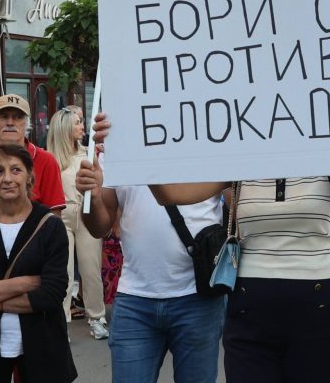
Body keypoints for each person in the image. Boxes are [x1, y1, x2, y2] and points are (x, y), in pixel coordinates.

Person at [83, 113, 330, 382]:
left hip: (318, 302)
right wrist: (133, 148)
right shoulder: (239, 153)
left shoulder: (328, 145)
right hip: (250, 307)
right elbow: (170, 194)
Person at [76, 156, 226, 383]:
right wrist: (93, 198)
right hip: (135, 301)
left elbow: (239, 203)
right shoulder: (118, 143)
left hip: (198, 297)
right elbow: (100, 227)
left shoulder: (206, 134)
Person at [0, 144, 76, 382]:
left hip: (43, 346)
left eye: (16, 170)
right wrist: (24, 283)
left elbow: (52, 293)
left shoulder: (50, 226)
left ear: (30, 176)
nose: (7, 178)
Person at [46, 108, 108, 340]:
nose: (82, 126)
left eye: (81, 122)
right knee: (63, 272)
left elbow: (101, 184)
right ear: (64, 129)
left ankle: (97, 317)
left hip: (85, 212)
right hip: (60, 216)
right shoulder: (50, 158)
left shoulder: (88, 154)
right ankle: (60, 321)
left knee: (91, 269)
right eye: (77, 123)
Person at [0, 95, 65, 223]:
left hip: (30, 241)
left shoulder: (46, 161)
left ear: (27, 124)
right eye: (4, 116)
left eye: (18, 117)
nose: (10, 122)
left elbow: (54, 217)